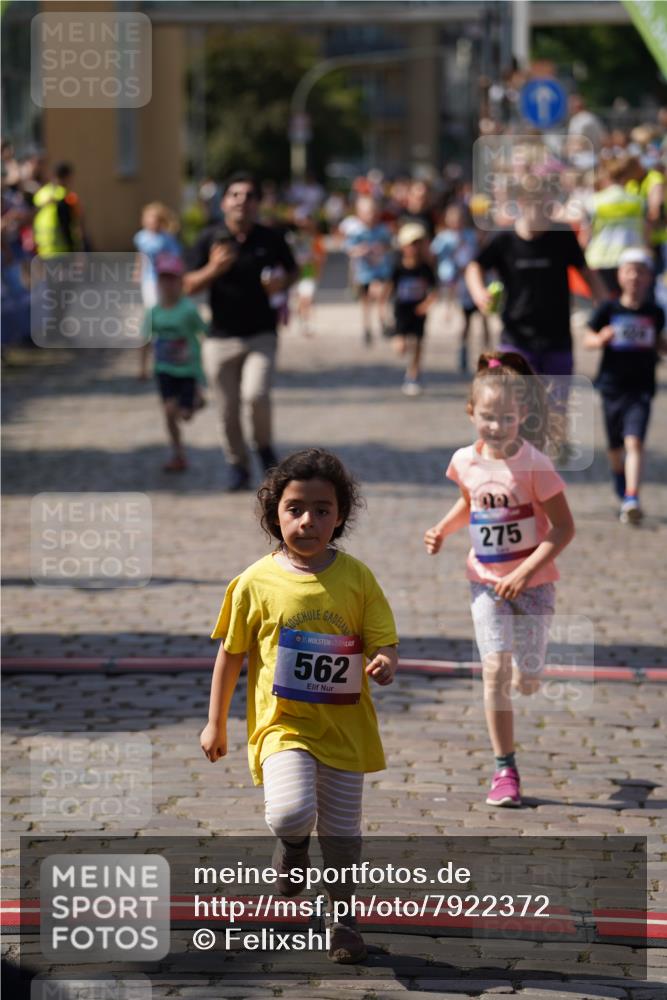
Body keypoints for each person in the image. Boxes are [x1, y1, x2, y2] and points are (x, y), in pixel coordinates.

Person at [200, 448, 399, 962]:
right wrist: (214, 723)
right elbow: (230, 655)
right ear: (275, 515)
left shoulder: (358, 578)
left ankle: (342, 921)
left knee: (341, 837)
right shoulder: (254, 582)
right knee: (290, 812)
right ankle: (291, 848)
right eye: (295, 509)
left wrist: (385, 661)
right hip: (281, 726)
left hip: (346, 729)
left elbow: (384, 641)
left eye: (323, 509)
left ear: (341, 516)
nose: (308, 520)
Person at [424, 352, 575, 807]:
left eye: (506, 418)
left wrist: (527, 572)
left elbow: (565, 529)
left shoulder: (535, 467)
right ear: (472, 413)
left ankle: (530, 675)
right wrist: (442, 530)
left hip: (535, 583)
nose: (495, 426)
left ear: (523, 416)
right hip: (485, 580)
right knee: (494, 669)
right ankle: (504, 768)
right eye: (488, 417)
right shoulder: (463, 461)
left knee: (526, 676)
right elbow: (471, 503)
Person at [184, 173, 298, 492]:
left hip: (261, 334)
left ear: (258, 204)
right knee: (227, 409)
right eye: (235, 195)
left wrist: (281, 284)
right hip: (220, 338)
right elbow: (187, 285)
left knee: (256, 395)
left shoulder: (271, 238)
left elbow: (293, 271)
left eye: (249, 196)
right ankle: (237, 465)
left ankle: (263, 449)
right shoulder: (210, 239)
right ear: (224, 203)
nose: (241, 201)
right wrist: (214, 268)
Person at [465, 187, 607, 413]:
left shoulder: (562, 235)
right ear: (520, 203)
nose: (539, 213)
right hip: (516, 337)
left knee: (556, 411)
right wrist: (479, 292)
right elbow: (475, 266)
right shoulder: (504, 238)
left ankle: (552, 448)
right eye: (533, 204)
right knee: (517, 409)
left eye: (544, 205)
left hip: (557, 338)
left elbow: (587, 273)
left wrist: (605, 306)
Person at [584, 248, 665, 524]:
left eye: (641, 272)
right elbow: (588, 339)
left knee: (635, 442)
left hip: (641, 388)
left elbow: (659, 344)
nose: (635, 277)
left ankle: (632, 497)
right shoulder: (609, 308)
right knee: (615, 449)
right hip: (611, 386)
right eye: (629, 271)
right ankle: (619, 476)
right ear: (620, 276)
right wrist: (601, 339)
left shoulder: (655, 312)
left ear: (649, 278)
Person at [139, 253, 207, 473]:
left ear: (180, 282)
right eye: (163, 279)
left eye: (172, 279)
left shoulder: (188, 310)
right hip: (164, 369)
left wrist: (206, 366)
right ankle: (178, 453)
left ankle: (194, 402)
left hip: (187, 369)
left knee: (185, 415)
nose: (167, 284)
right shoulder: (153, 312)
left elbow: (205, 334)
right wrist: (142, 367)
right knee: (169, 411)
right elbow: (145, 340)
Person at [431, 202, 490, 373]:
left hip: (472, 280)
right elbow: (434, 254)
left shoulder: (471, 235)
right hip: (457, 281)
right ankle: (463, 350)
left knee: (484, 319)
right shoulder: (443, 238)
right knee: (466, 322)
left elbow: (479, 253)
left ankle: (488, 354)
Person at [390, 222, 438, 395]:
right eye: (411, 243)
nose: (414, 248)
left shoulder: (425, 267)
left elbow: (434, 290)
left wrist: (426, 305)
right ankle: (402, 345)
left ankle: (413, 375)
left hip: (419, 310)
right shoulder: (397, 266)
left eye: (418, 243)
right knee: (401, 347)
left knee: (418, 343)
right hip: (402, 309)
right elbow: (389, 287)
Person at [344, 194, 394, 346]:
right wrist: (361, 250)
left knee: (380, 294)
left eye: (372, 212)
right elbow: (349, 249)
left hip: (380, 270)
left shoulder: (382, 230)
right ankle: (367, 327)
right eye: (366, 212)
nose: (370, 216)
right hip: (363, 272)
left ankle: (382, 319)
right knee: (366, 302)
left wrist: (381, 248)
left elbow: (390, 244)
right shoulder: (356, 232)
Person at [133, 202, 182, 310]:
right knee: (150, 303)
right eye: (148, 218)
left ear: (160, 221)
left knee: (164, 303)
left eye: (154, 219)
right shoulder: (141, 237)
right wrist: (137, 271)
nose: (151, 221)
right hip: (148, 277)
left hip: (163, 277)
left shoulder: (167, 239)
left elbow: (176, 258)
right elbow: (141, 255)